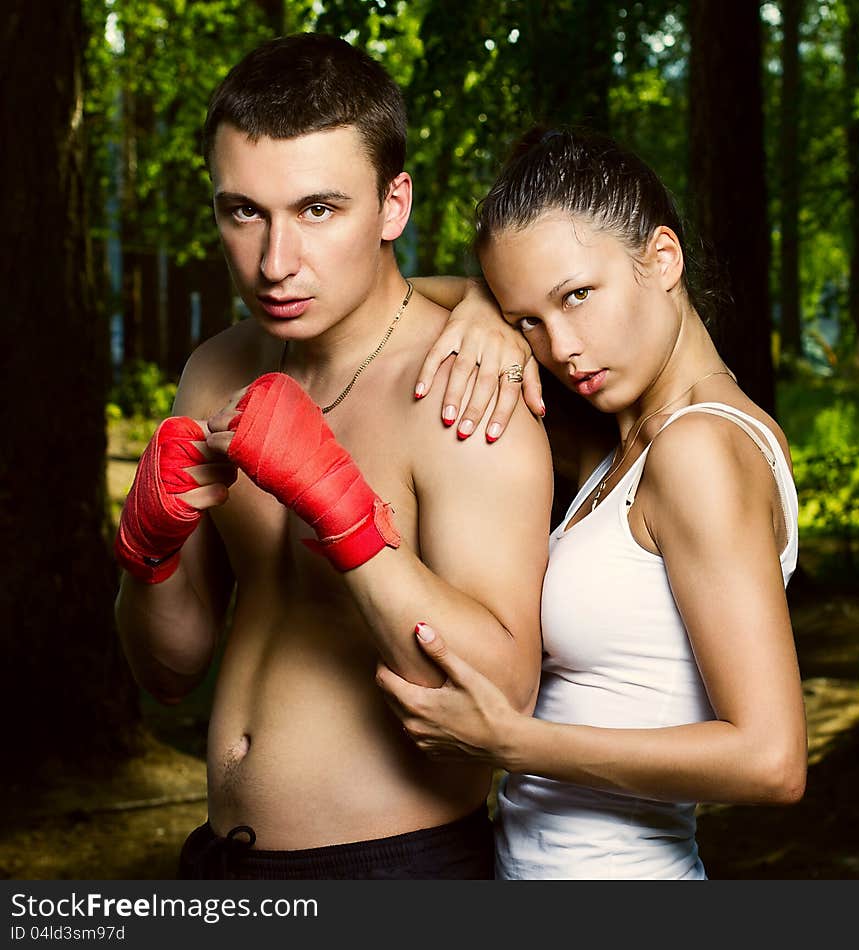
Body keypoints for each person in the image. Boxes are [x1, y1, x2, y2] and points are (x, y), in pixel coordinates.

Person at [113, 33, 553, 880]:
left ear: (394, 205)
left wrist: (346, 514)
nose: (276, 263)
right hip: (222, 864)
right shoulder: (213, 369)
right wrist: (147, 556)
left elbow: (503, 700)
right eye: (244, 211)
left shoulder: (462, 388)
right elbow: (167, 671)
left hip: (396, 871)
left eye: (319, 209)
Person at [376, 127, 808, 880]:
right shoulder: (629, 439)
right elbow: (397, 300)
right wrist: (483, 308)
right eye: (530, 321)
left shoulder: (698, 449)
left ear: (662, 259)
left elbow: (770, 760)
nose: (562, 346)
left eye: (578, 295)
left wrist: (510, 742)